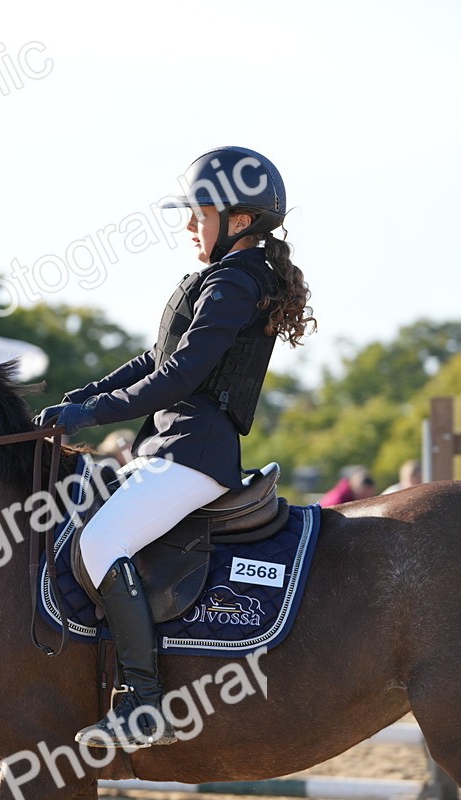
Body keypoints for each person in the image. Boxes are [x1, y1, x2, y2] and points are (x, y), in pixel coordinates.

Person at [35, 146, 316, 748]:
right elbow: (153, 362)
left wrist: (93, 414)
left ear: (239, 221)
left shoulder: (237, 282)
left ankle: (143, 702)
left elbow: (179, 377)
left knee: (100, 541)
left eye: (201, 212)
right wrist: (81, 397)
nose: (189, 224)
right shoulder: (218, 278)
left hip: (193, 453)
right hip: (167, 448)